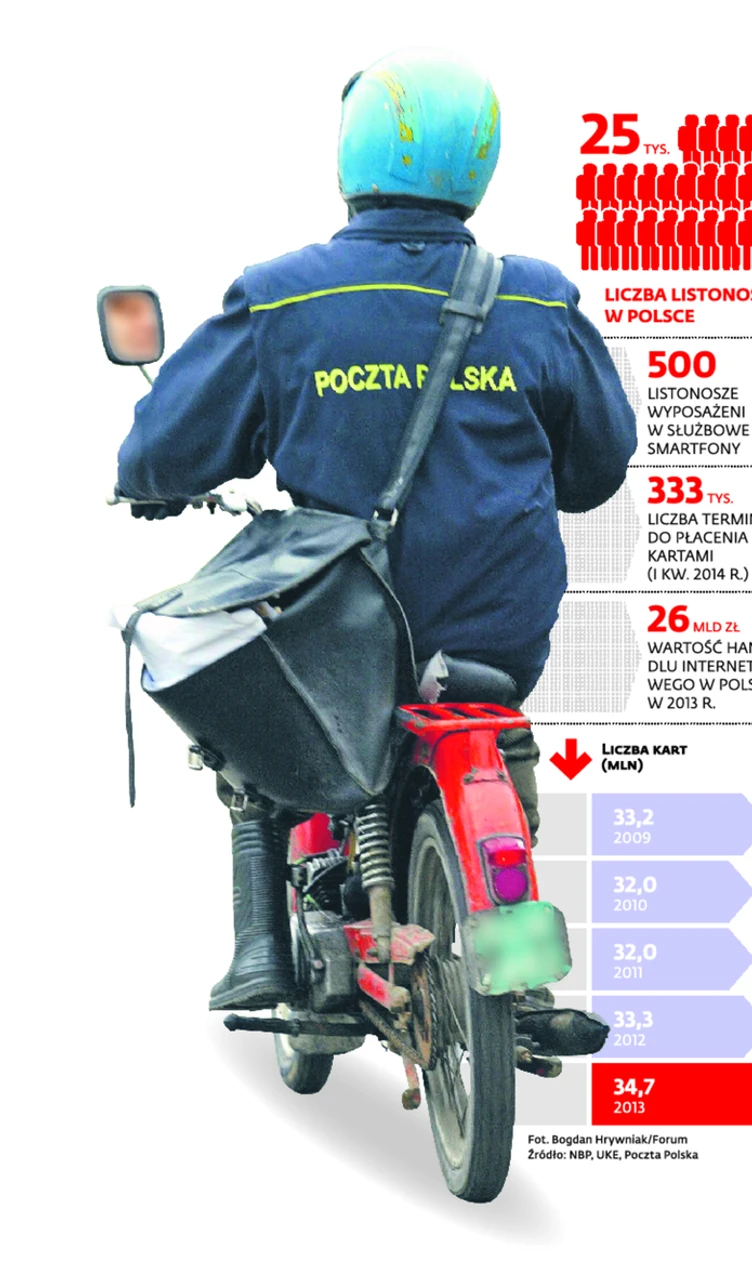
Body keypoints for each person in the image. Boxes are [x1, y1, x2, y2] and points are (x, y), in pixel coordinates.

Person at [115, 47, 637, 1011]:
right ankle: (520, 969)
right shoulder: (536, 299)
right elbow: (598, 469)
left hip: (339, 637)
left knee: (245, 710)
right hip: (493, 638)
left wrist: (151, 481)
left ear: (351, 155)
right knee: (494, 738)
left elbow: (166, 451)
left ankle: (265, 947)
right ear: (479, 162)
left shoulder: (284, 297)